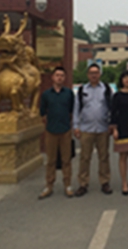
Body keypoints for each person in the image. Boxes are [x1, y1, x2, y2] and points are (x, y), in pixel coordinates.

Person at [73, 63, 113, 197]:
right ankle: (83, 183)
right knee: (85, 157)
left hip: (103, 128)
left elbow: (112, 107)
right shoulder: (82, 90)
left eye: (96, 73)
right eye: (91, 73)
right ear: (87, 75)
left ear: (100, 74)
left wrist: (112, 124)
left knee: (104, 156)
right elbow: (76, 109)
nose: (94, 75)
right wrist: (76, 126)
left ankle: (105, 181)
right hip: (86, 128)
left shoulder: (106, 89)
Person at [39, 66, 75, 199]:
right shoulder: (46, 94)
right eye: (57, 75)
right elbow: (42, 112)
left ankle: (67, 185)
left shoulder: (69, 93)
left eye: (62, 75)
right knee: (51, 160)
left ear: (64, 78)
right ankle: (49, 185)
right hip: (51, 131)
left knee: (66, 159)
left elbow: (71, 111)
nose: (59, 78)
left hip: (65, 130)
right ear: (52, 77)